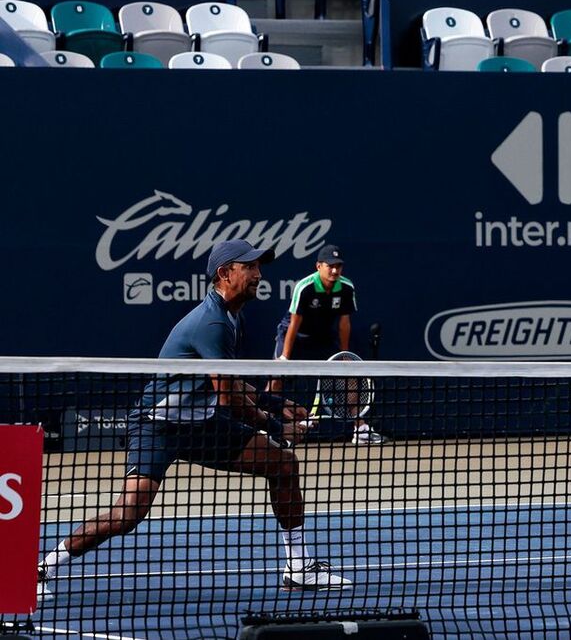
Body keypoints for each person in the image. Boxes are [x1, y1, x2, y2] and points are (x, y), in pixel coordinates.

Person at [37, 239, 351, 601]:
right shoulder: (213, 322)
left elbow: (228, 382)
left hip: (201, 424)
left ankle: (299, 568)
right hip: (159, 426)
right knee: (128, 514)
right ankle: (43, 566)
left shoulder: (233, 315)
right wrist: (276, 425)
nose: (258, 274)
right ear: (224, 273)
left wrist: (272, 400)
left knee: (282, 464)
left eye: (258, 267)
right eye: (249, 267)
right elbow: (228, 397)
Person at [271, 244, 384, 445]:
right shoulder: (304, 287)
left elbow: (344, 323)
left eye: (338, 266)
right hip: (295, 335)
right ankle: (266, 427)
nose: (334, 270)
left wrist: (344, 354)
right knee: (276, 378)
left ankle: (361, 429)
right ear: (318, 266)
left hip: (323, 337)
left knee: (350, 377)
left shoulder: (346, 287)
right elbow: (294, 323)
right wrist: (285, 358)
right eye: (330, 266)